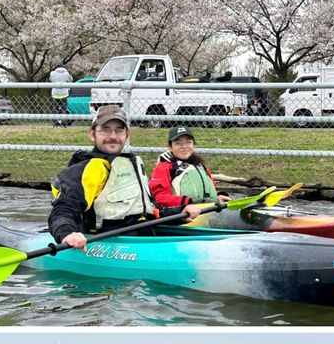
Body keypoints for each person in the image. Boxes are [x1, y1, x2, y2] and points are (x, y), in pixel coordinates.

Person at [48, 105, 169, 251]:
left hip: (143, 238)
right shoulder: (89, 169)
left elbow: (151, 210)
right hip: (108, 244)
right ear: (92, 134)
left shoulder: (132, 163)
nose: (113, 136)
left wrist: (181, 212)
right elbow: (65, 208)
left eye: (119, 130)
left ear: (127, 135)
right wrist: (67, 233)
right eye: (105, 129)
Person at [148, 126, 231, 220]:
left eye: (188, 142)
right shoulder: (163, 168)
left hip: (207, 211)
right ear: (170, 147)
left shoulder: (201, 165)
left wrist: (217, 197)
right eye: (178, 143)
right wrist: (186, 202)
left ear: (193, 145)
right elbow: (158, 198)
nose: (184, 146)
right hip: (180, 216)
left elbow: (208, 190)